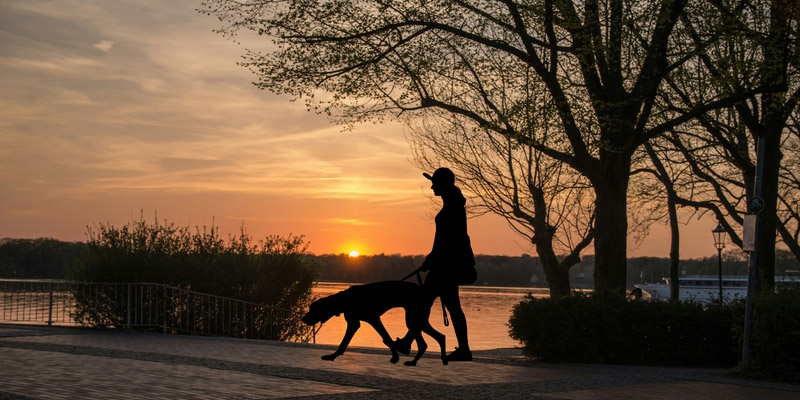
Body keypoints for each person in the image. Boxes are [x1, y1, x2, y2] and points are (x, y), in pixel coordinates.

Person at [419, 167, 476, 362]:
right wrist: (430, 259)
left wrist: (430, 260)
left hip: (444, 266)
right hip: (443, 264)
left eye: (434, 182)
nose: (432, 186)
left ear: (442, 184)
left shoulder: (452, 206)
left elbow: (446, 240)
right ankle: (464, 349)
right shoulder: (453, 202)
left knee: (424, 303)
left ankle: (410, 342)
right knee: (450, 306)